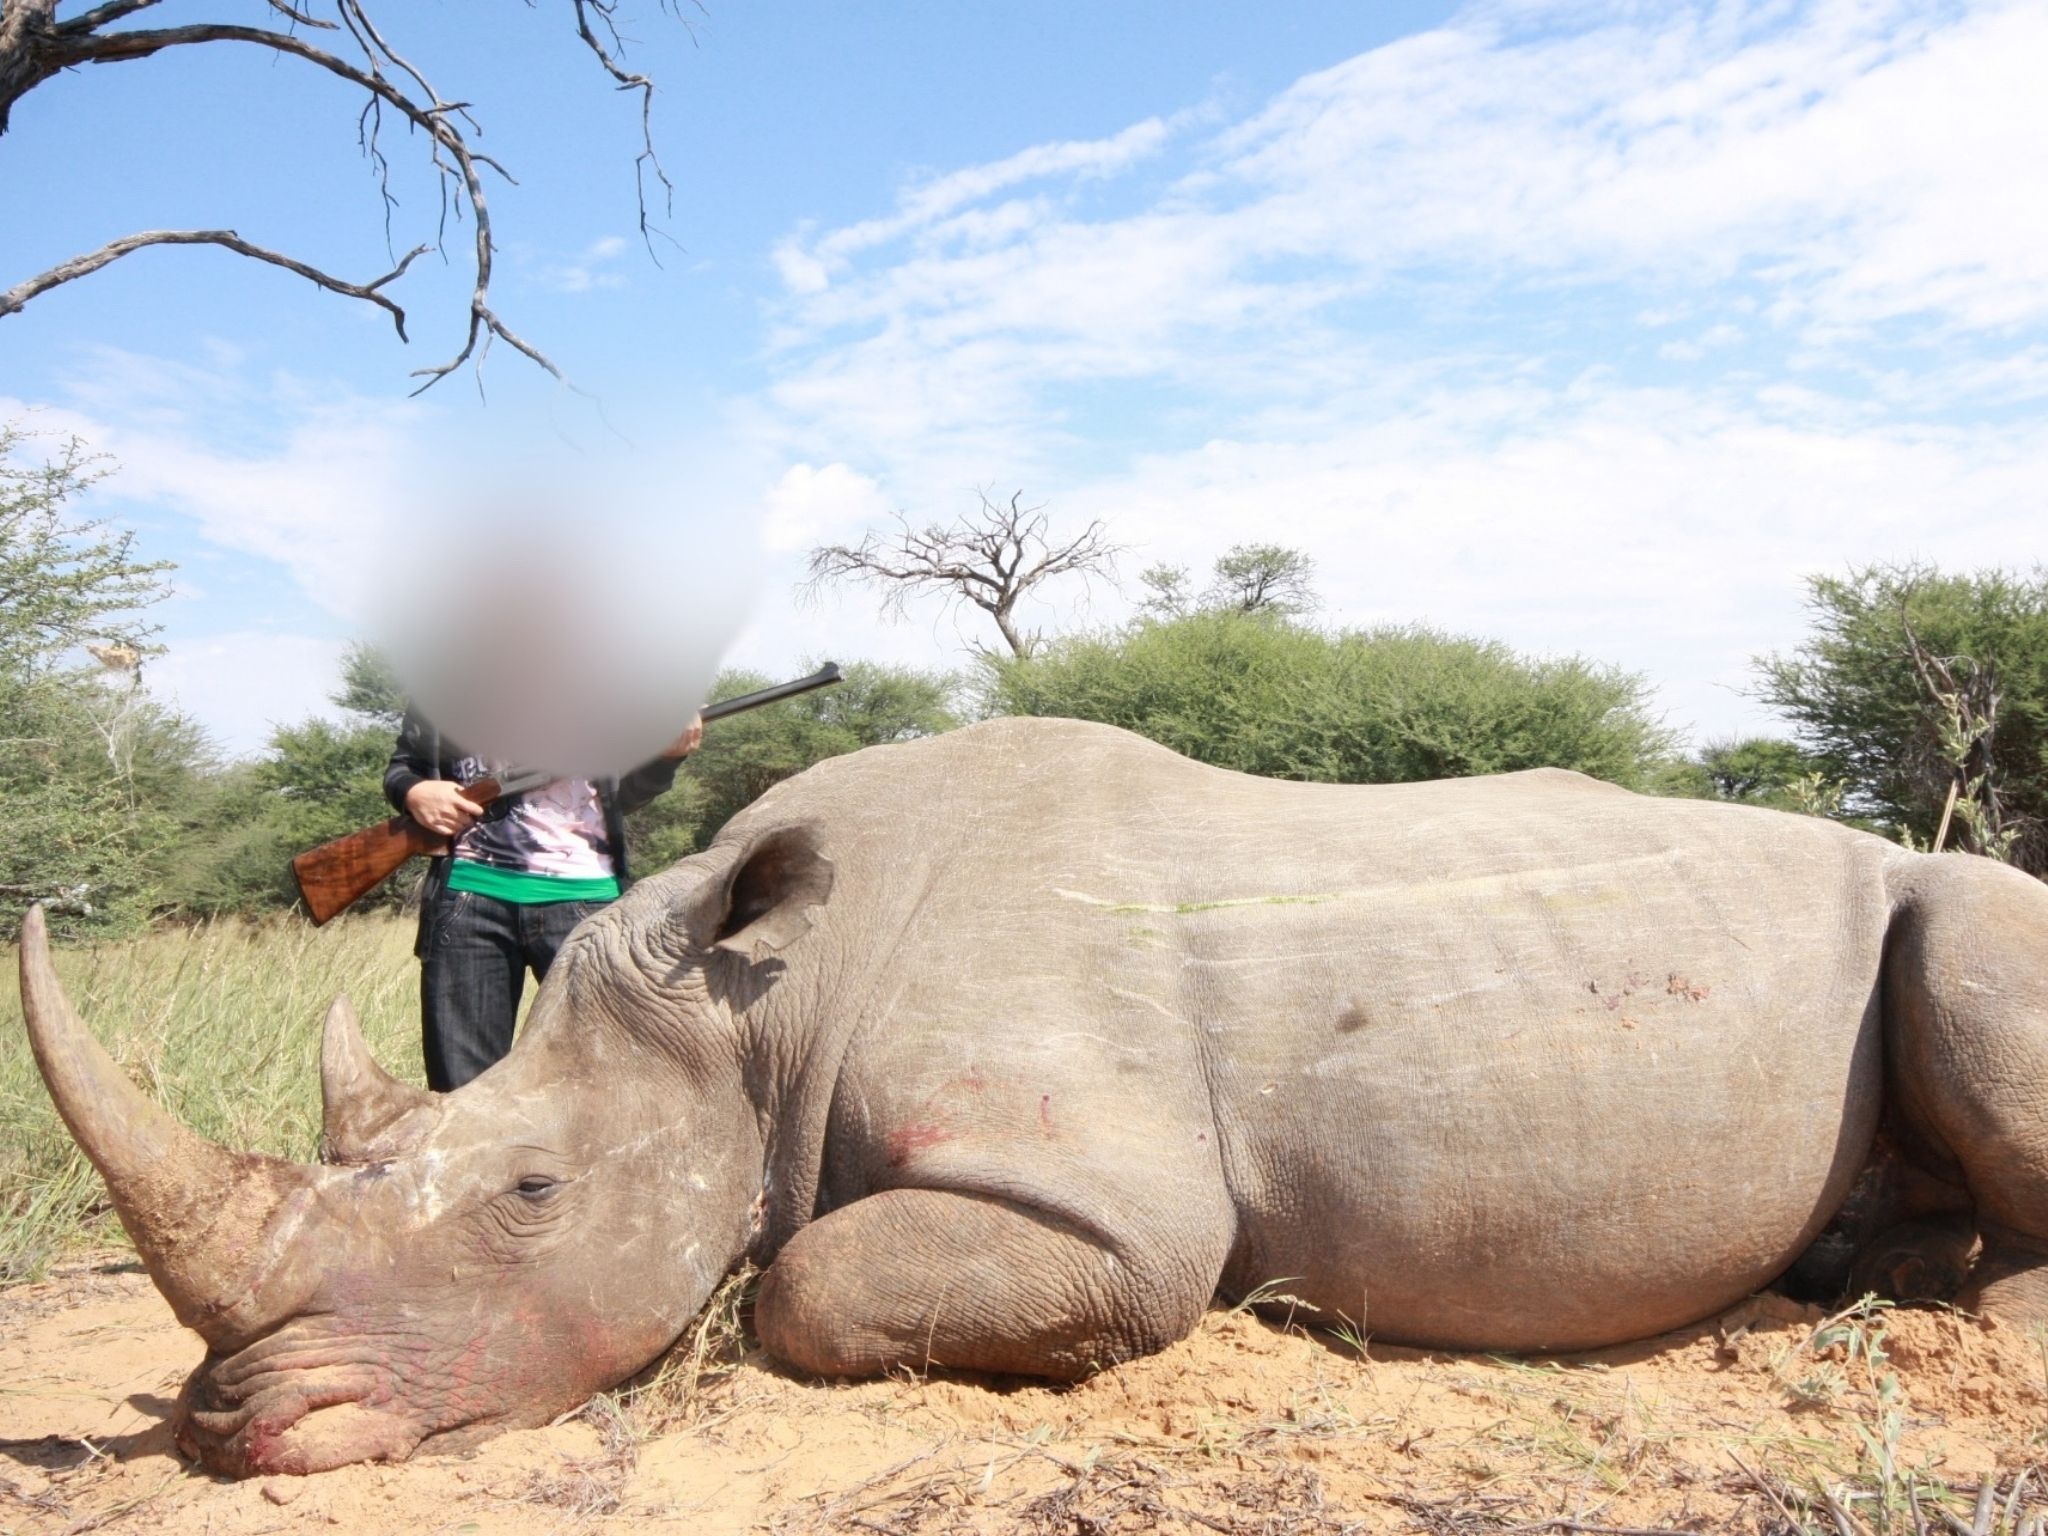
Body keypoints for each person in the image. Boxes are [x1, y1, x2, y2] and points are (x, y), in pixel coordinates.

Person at [384, 711, 703, 1091]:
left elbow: (624, 795)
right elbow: (404, 766)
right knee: (462, 1095)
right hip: (467, 904)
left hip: (589, 904)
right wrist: (412, 791)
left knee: (607, 1087)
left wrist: (667, 757)